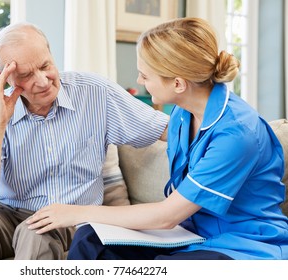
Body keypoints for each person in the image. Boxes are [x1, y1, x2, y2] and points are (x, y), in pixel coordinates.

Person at [27, 17, 288, 260]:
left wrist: (76, 211)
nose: (139, 80)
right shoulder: (182, 115)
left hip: (240, 243)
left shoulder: (237, 134)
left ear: (178, 83)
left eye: (146, 75)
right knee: (90, 239)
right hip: (189, 232)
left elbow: (167, 215)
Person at [0, 22, 169, 260]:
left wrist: (209, 128)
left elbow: (164, 128)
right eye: (27, 75)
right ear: (6, 78)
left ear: (51, 55)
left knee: (37, 231)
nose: (42, 81)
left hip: (70, 216)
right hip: (7, 214)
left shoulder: (95, 92)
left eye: (45, 66)